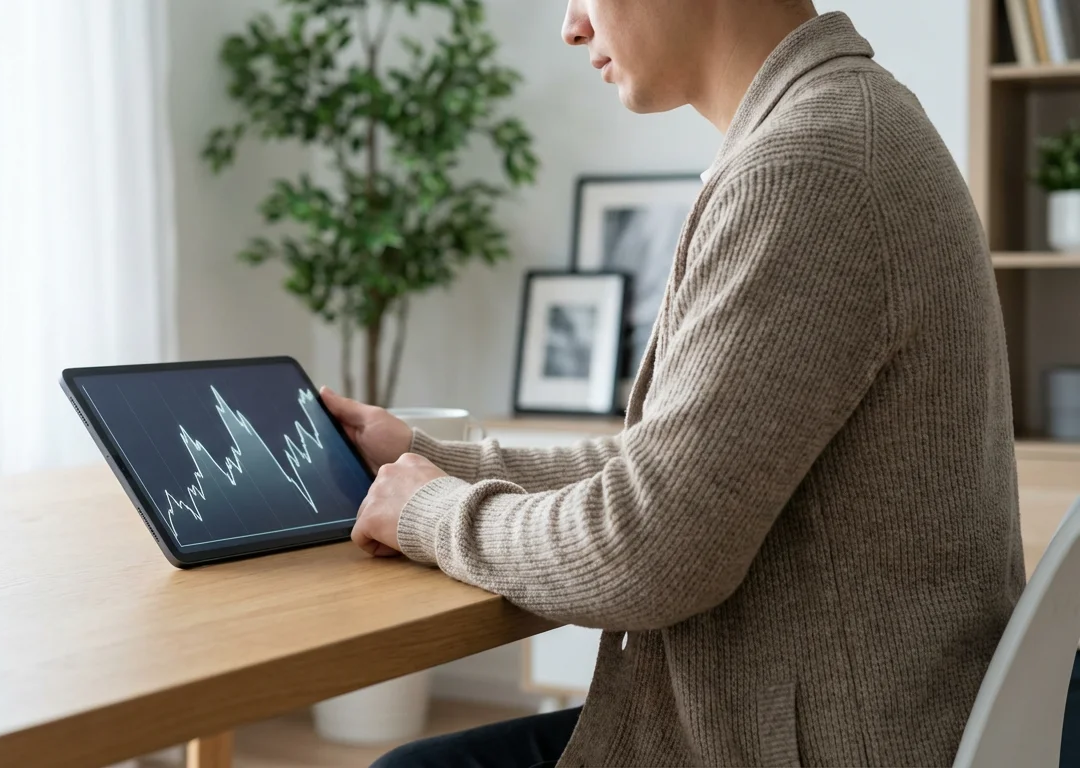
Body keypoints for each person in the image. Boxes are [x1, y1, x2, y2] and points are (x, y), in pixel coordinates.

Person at [319, 1, 1030, 766]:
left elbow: (644, 553)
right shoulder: (847, 122)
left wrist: (429, 513)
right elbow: (663, 475)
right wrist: (430, 458)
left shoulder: (807, 165)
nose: (571, 27)